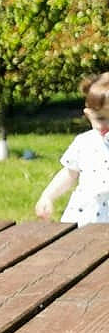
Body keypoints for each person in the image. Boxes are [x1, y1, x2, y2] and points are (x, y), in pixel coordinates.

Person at [33, 72, 109, 225]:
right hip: (85, 214)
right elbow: (69, 174)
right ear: (88, 114)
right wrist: (48, 196)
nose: (105, 124)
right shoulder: (84, 142)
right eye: (100, 118)